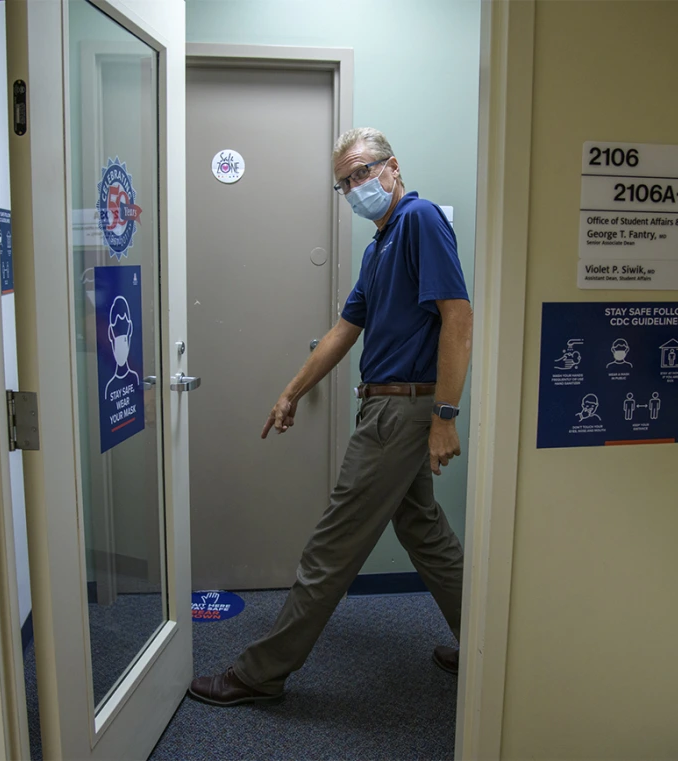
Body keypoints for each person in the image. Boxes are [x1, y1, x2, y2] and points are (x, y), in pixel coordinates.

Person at [188, 127, 473, 707]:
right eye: (344, 183)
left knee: (331, 545)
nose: (354, 188)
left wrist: (445, 414)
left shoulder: (419, 221)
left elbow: (458, 317)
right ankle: (489, 645)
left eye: (362, 173)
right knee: (424, 530)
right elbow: (346, 329)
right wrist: (292, 390)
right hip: (387, 404)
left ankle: (259, 675)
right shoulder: (379, 245)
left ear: (393, 167)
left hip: (404, 409)